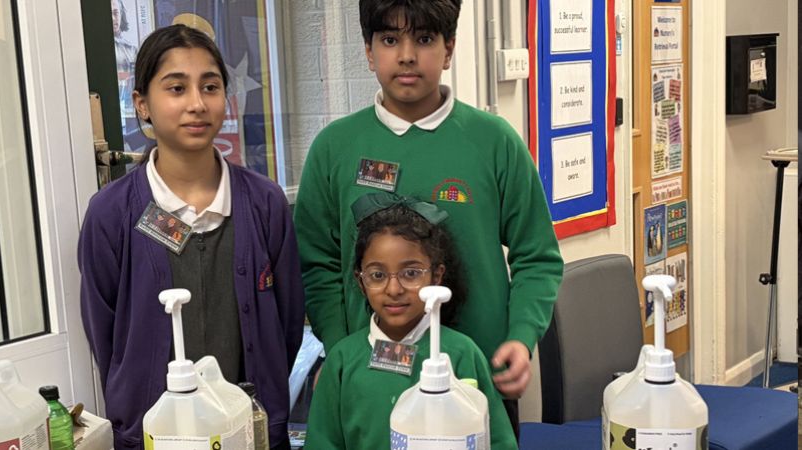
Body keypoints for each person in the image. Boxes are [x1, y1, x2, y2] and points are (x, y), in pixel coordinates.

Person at [294, 0, 563, 437]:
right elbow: (316, 264)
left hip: (476, 380)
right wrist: (339, 347)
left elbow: (538, 256)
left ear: (449, 48)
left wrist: (521, 336)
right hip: (369, 383)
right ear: (367, 50)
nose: (406, 55)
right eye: (388, 39)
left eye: (423, 39)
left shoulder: (494, 142)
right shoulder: (334, 148)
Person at [78, 24, 303, 449]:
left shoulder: (264, 203)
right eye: (176, 88)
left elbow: (287, 325)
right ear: (143, 105)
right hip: (154, 434)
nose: (197, 104)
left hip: (250, 434)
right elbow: (107, 337)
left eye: (211, 86)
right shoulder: (111, 213)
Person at [305, 193, 517, 449]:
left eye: (411, 273)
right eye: (378, 275)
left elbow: (498, 441)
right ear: (361, 281)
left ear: (436, 276)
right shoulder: (342, 362)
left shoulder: (462, 354)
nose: (394, 289)